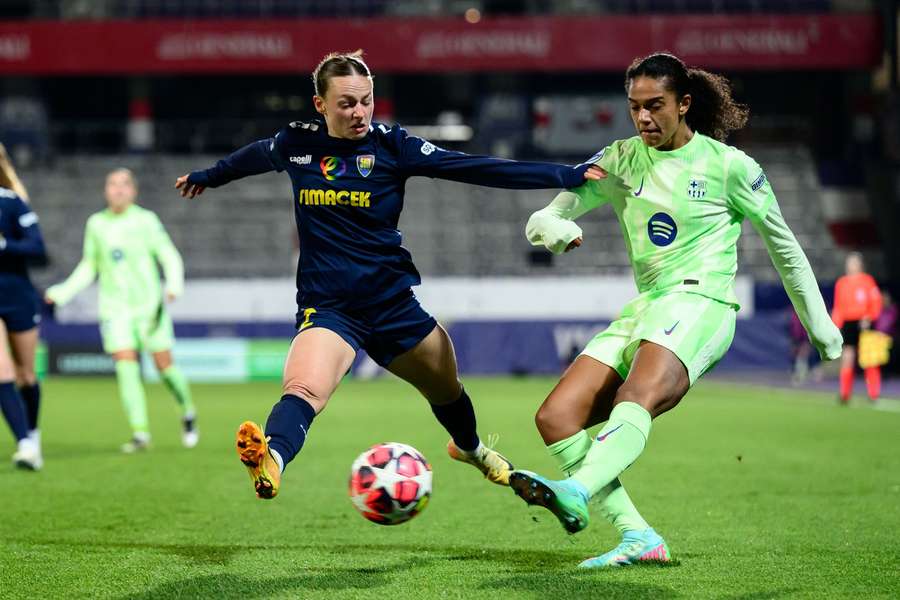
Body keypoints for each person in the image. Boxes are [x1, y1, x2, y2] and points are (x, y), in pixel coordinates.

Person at [175, 51, 602, 500]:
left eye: (366, 100)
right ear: (320, 105)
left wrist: (563, 174)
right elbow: (255, 156)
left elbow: (475, 167)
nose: (358, 112)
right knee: (304, 389)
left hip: (393, 304)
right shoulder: (297, 144)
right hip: (331, 307)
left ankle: (473, 450)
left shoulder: (393, 146)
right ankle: (272, 460)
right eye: (346, 104)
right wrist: (210, 175)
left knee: (448, 392)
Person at [509, 52, 843, 568]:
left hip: (703, 302)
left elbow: (786, 249)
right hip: (647, 306)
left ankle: (575, 489)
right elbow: (551, 211)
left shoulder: (730, 167)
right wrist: (550, 226)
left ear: (684, 104)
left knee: (636, 391)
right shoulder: (620, 158)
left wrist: (820, 325)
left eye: (655, 106)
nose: (643, 118)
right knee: (556, 417)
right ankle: (637, 536)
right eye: (634, 107)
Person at [45, 168, 197, 452]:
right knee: (126, 367)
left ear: (133, 191)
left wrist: (174, 284)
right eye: (113, 184)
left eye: (124, 184)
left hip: (149, 307)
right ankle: (140, 433)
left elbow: (167, 253)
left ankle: (187, 410)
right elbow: (89, 265)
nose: (118, 189)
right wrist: (61, 293)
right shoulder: (96, 224)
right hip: (115, 310)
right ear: (105, 191)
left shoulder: (146, 220)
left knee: (165, 367)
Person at [0, 142, 45, 470]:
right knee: (2, 371)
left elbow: (37, 247)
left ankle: (32, 432)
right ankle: (25, 444)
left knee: (26, 375)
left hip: (17, 294)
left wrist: (4, 245)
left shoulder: (12, 202)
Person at [831, 252, 883, 403]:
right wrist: (836, 325)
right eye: (849, 262)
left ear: (860, 265)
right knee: (847, 358)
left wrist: (870, 316)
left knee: (869, 359)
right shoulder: (841, 283)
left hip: (864, 322)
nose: (851, 265)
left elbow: (876, 302)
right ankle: (844, 394)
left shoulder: (867, 281)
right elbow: (838, 307)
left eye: (854, 262)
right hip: (848, 324)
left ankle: (873, 394)